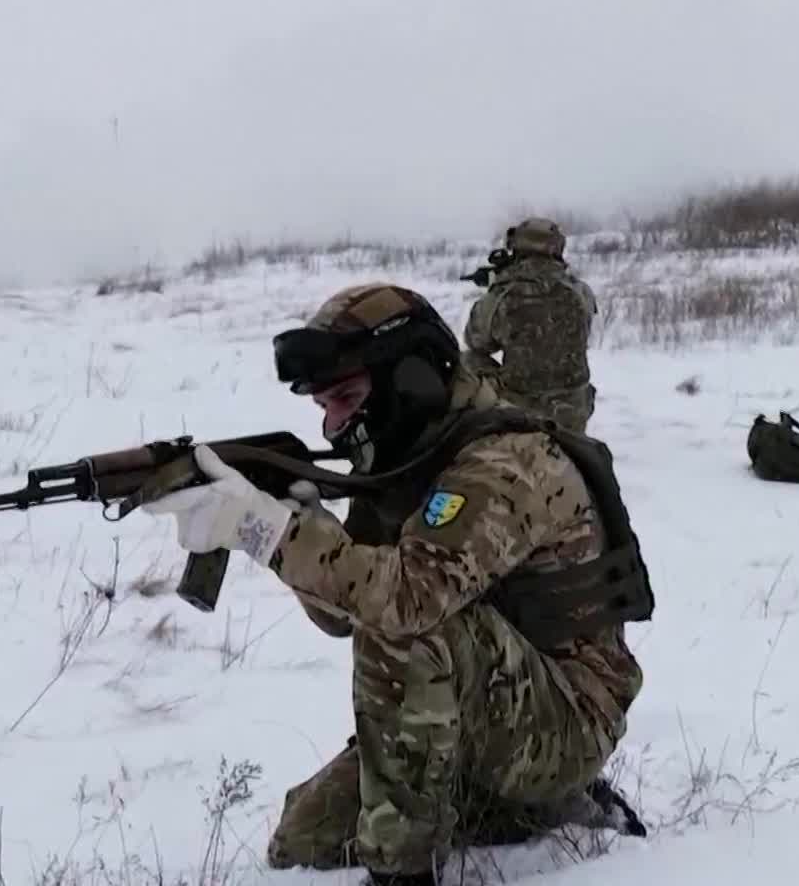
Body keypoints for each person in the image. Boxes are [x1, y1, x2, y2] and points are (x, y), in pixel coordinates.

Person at [140, 283, 652, 885]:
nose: (333, 425)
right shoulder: (406, 457)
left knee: (405, 618)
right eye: (323, 406)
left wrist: (269, 532)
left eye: (346, 398)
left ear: (409, 378)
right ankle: (520, 807)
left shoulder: (503, 463)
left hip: (566, 719)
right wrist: (305, 523)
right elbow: (340, 616)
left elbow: (403, 604)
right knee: (303, 842)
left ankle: (410, 871)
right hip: (480, 705)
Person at [463, 217, 599, 434]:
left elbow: (476, 341)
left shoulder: (504, 294)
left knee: (468, 359)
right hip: (574, 410)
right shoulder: (581, 291)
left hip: (521, 411)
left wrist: (495, 287)